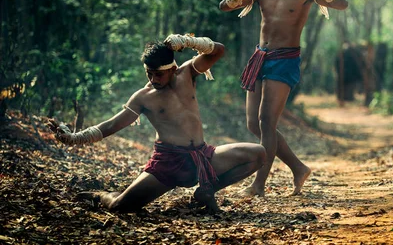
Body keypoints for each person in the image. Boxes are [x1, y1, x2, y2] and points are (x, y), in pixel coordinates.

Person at [47, 34, 266, 214]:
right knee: (120, 207)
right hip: (168, 164)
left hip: (203, 158)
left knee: (258, 153)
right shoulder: (143, 97)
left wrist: (189, 42)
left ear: (172, 68)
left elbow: (219, 50)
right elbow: (111, 125)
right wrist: (74, 138)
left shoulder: (188, 73)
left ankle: (206, 191)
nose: (153, 79)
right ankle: (103, 195)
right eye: (149, 73)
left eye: (158, 74)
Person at [219, 0, 348, 197]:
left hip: (284, 60)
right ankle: (298, 168)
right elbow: (224, 6)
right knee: (253, 124)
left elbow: (342, 4)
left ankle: (258, 185)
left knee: (267, 122)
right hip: (260, 57)